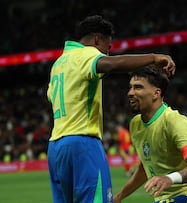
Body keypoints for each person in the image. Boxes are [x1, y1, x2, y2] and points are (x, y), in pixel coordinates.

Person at [46, 15, 176, 203]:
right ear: (97, 39)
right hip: (82, 142)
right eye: (108, 44)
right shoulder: (85, 54)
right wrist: (153, 58)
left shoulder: (58, 64)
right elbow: (112, 64)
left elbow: (51, 96)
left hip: (55, 147)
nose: (109, 50)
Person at [114, 65, 187, 203]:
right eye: (130, 87)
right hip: (163, 199)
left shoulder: (174, 121)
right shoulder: (135, 124)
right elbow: (145, 167)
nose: (130, 92)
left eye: (138, 87)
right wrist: (119, 196)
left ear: (156, 93)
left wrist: (169, 178)